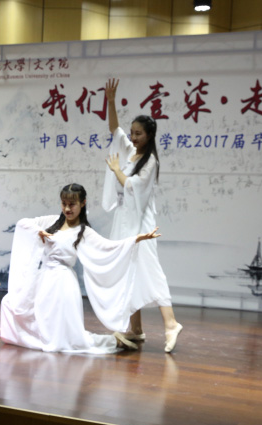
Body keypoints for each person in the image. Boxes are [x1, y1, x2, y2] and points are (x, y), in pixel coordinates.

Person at [0, 183, 162, 354]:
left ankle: (113, 341)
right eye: (64, 204)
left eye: (72, 204)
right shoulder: (51, 221)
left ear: (83, 203)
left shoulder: (84, 231)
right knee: (10, 303)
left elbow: (108, 247)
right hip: (43, 278)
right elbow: (23, 223)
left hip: (62, 283)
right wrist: (37, 231)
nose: (67, 209)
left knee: (61, 333)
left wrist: (135, 239)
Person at [102, 77, 183, 353]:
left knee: (150, 270)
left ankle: (171, 323)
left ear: (149, 136)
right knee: (128, 272)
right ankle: (135, 329)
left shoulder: (150, 162)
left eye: (139, 134)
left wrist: (117, 171)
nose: (134, 137)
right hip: (124, 220)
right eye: (133, 133)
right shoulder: (130, 151)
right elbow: (115, 129)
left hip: (141, 226)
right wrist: (111, 101)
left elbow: (132, 186)